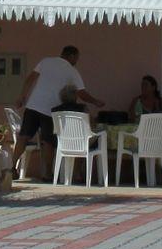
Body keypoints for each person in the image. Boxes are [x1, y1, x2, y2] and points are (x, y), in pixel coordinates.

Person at [13, 45, 101, 179]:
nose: (76, 61)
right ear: (72, 56)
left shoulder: (45, 61)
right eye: (76, 58)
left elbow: (30, 78)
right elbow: (81, 93)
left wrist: (22, 96)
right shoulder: (72, 71)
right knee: (48, 141)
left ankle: (11, 167)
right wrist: (95, 102)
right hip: (50, 110)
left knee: (23, 136)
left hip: (33, 105)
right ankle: (47, 174)